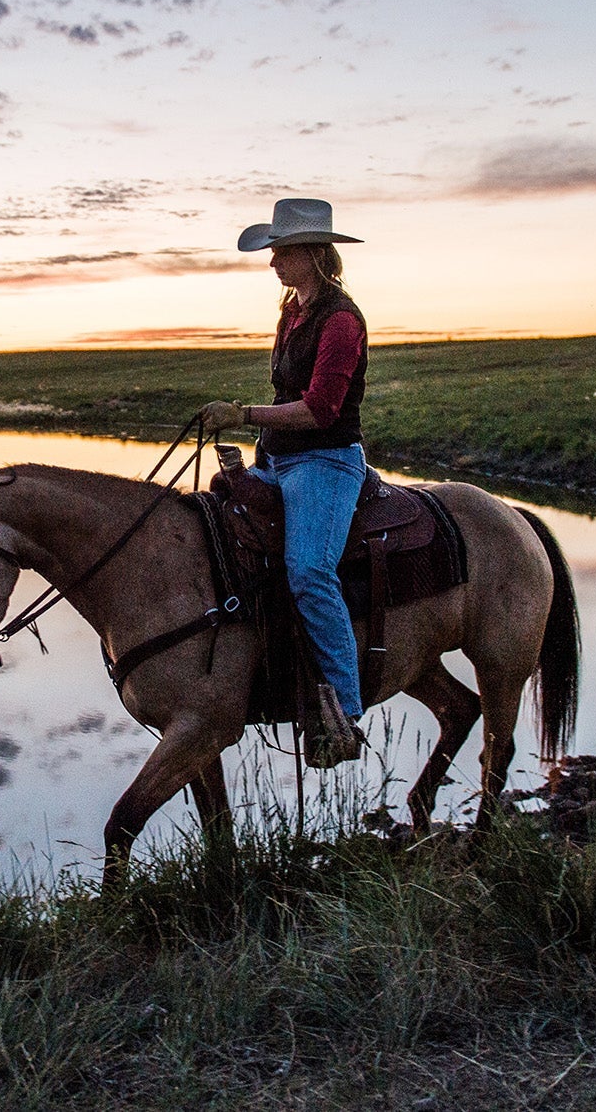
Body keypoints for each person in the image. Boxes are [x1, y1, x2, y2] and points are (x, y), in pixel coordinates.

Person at [199, 197, 369, 766]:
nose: (272, 261)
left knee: (309, 571)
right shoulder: (291, 313)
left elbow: (321, 410)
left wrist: (243, 415)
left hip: (325, 462)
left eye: (281, 251)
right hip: (276, 458)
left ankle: (344, 712)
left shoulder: (342, 320)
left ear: (313, 254)